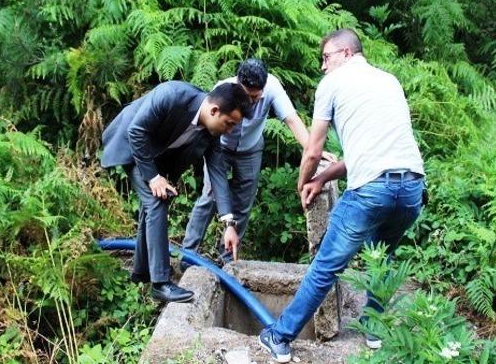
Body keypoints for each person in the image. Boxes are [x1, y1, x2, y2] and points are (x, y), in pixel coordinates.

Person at [258, 29, 426, 362]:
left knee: (326, 266)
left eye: (326, 58)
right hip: (412, 187)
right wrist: (323, 178)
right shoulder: (389, 81)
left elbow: (313, 148)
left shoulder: (332, 84)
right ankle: (374, 332)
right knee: (383, 257)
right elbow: (368, 155)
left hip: (371, 191)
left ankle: (279, 337)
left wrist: (304, 181)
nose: (322, 67)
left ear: (346, 53)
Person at [101, 81, 251, 303]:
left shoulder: (210, 131)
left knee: (151, 208)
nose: (229, 130)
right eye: (229, 124)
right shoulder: (171, 95)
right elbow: (136, 131)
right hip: (132, 143)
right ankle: (160, 284)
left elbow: (218, 172)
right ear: (214, 110)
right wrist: (153, 178)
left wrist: (229, 223)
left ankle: (141, 273)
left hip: (157, 153)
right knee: (156, 201)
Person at [181, 58, 331, 264]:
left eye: (256, 97)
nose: (252, 102)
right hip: (220, 148)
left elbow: (292, 119)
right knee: (210, 197)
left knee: (243, 203)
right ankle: (188, 255)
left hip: (250, 150)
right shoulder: (223, 89)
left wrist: (311, 147)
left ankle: (227, 260)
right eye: (248, 96)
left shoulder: (272, 87)